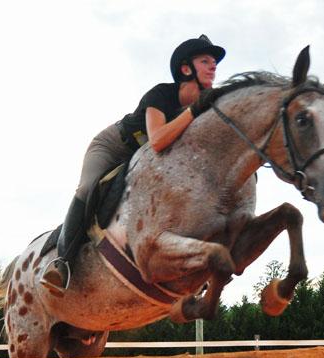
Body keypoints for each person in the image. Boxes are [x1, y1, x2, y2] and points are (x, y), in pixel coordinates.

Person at [40, 34, 226, 295]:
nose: (213, 66)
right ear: (186, 69)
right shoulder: (161, 94)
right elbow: (158, 140)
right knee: (88, 187)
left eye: (214, 62)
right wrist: (192, 112)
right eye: (205, 60)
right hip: (114, 146)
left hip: (150, 162)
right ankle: (61, 264)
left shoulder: (205, 102)